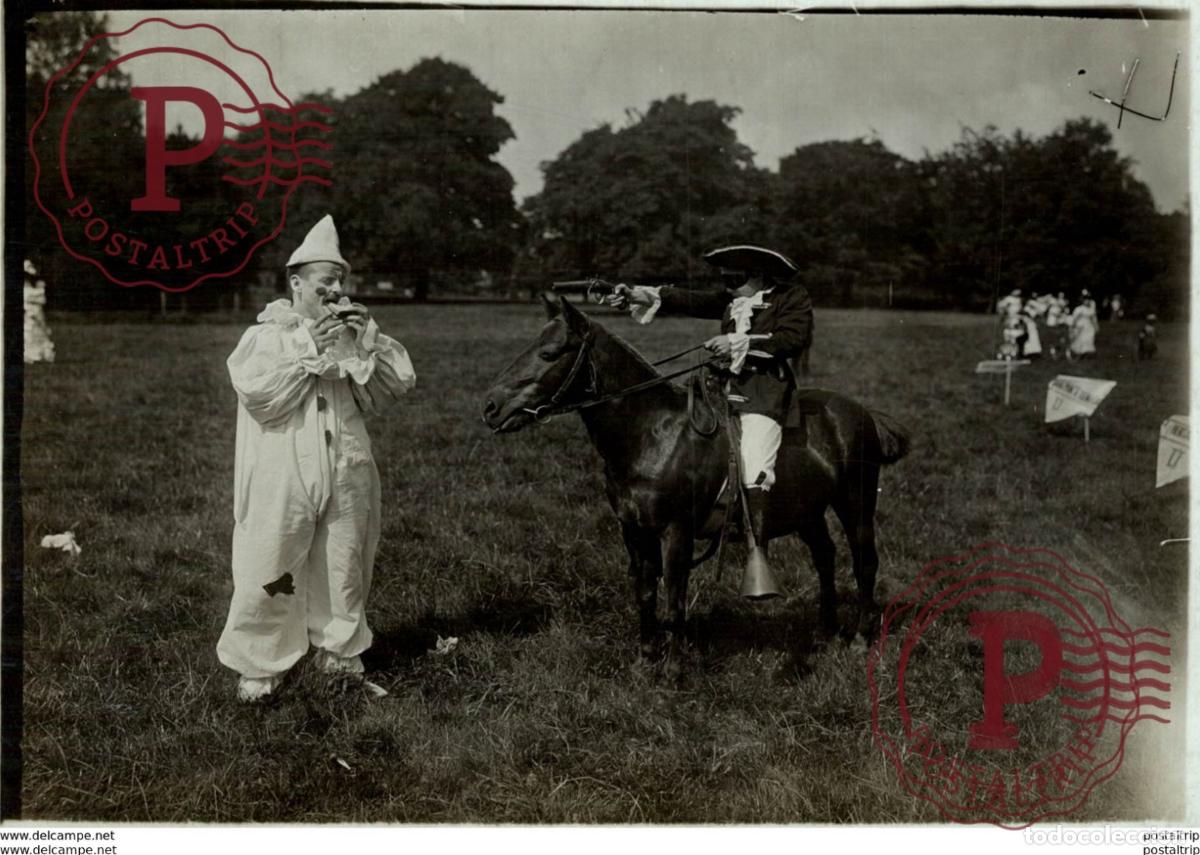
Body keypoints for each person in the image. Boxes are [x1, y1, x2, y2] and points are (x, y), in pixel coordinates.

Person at [217, 215, 416, 702]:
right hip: (283, 470)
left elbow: (397, 385)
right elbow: (260, 394)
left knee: (343, 560)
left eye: (341, 281)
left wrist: (366, 337)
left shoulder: (348, 335)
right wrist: (311, 345)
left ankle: (338, 656)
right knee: (271, 559)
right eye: (326, 280)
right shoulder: (268, 336)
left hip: (347, 464)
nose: (335, 290)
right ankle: (260, 667)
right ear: (296, 282)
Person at [605, 245, 812, 593]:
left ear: (759, 276)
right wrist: (638, 294)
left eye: (736, 279)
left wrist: (738, 343)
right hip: (719, 388)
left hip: (763, 393)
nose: (729, 287)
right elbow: (691, 300)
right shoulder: (734, 299)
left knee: (754, 461)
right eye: (725, 280)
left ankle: (756, 550)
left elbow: (793, 339)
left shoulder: (791, 298)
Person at [1069, 289, 1099, 359]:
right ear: (1082, 301)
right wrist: (1073, 326)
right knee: (1081, 339)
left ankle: (1087, 353)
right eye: (1085, 300)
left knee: (1089, 338)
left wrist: (1096, 326)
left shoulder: (1090, 310)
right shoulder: (1079, 309)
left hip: (1089, 326)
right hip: (1081, 326)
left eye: (1088, 300)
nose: (1087, 301)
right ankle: (1081, 353)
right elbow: (1075, 318)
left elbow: (1093, 319)